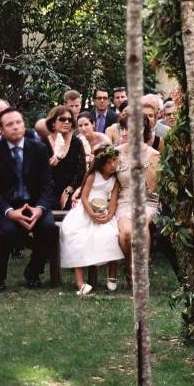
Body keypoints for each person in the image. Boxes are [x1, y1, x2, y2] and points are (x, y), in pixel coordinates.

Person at [0, 108, 57, 291]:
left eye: (18, 122)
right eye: (9, 124)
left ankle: (33, 271)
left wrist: (39, 209)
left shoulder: (39, 149)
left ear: (24, 125)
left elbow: (47, 185)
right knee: (6, 230)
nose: (15, 127)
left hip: (33, 204)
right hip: (5, 207)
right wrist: (10, 212)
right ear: (1, 129)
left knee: (49, 228)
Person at [60, 145, 123, 296]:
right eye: (109, 162)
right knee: (79, 238)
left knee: (112, 235)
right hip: (86, 211)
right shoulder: (93, 176)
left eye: (115, 161)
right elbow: (84, 196)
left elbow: (113, 200)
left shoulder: (115, 179)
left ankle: (112, 274)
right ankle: (80, 283)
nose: (113, 165)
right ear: (101, 163)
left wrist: (108, 216)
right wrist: (91, 214)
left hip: (103, 211)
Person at [115, 111, 160, 279]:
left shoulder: (153, 155)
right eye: (124, 128)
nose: (126, 132)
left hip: (147, 200)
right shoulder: (116, 153)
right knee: (126, 233)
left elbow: (154, 188)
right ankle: (129, 267)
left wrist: (143, 165)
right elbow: (110, 184)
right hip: (124, 201)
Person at [42, 105, 85, 209]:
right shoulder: (43, 143)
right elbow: (37, 174)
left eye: (70, 120)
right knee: (51, 204)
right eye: (62, 119)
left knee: (73, 205)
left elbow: (81, 172)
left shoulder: (76, 143)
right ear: (53, 122)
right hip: (49, 190)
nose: (66, 122)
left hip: (71, 189)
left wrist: (67, 191)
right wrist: (49, 166)